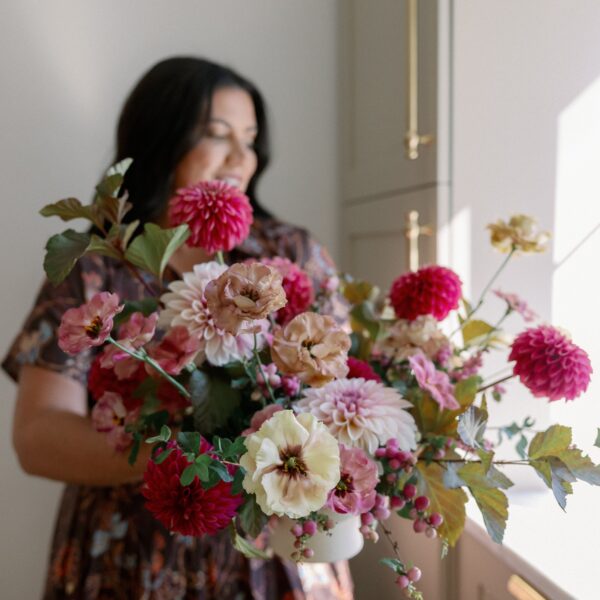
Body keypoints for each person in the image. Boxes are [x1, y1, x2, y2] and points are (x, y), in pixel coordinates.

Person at [3, 57, 353, 599]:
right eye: (217, 135)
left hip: (271, 552)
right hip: (128, 553)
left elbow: (343, 403)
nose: (241, 157)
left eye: (251, 138)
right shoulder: (97, 265)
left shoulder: (291, 255)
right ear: (160, 137)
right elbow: (37, 437)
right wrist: (188, 455)